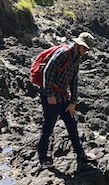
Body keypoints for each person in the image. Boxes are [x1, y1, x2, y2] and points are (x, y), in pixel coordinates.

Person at [37, 31, 97, 171]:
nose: (86, 51)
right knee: (48, 127)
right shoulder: (63, 53)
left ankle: (80, 153)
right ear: (77, 44)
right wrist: (50, 95)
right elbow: (47, 72)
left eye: (87, 49)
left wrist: (73, 102)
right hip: (51, 96)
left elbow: (74, 81)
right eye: (85, 48)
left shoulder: (76, 59)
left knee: (71, 123)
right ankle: (43, 158)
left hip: (63, 97)